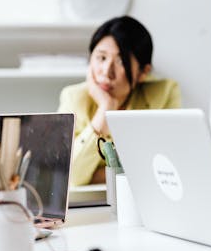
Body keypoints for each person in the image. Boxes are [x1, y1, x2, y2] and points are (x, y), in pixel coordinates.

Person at [59, 16, 181, 186]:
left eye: (121, 61)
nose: (106, 72)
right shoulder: (74, 97)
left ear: (143, 72)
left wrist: (96, 175)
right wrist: (105, 110)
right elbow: (69, 177)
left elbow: (170, 167)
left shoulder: (164, 93)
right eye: (101, 58)